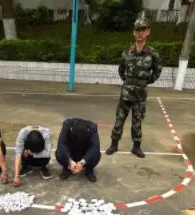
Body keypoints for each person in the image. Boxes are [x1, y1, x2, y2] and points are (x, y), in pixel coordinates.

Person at [106, 16, 162, 159]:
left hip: (140, 95)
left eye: (143, 29)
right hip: (126, 93)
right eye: (137, 30)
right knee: (119, 119)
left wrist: (144, 82)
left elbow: (157, 71)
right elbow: (121, 70)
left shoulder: (152, 53)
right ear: (133, 32)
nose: (139, 33)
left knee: (137, 121)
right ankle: (114, 144)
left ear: (148, 32)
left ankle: (136, 147)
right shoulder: (127, 52)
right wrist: (129, 82)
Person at [55, 118, 101, 183]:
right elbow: (61, 144)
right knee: (59, 152)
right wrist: (69, 160)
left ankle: (89, 170)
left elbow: (95, 146)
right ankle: (66, 168)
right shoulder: (67, 124)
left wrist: (83, 162)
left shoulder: (92, 127)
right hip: (71, 150)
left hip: (84, 150)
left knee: (96, 154)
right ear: (71, 130)